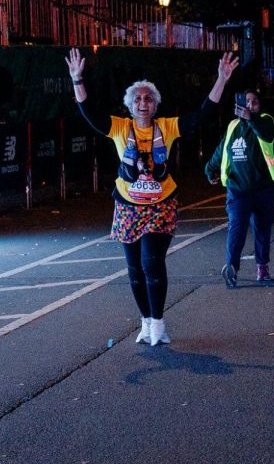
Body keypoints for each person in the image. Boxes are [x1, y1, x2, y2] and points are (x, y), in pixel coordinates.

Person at [67, 47, 238, 345]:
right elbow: (89, 113)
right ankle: (145, 321)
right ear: (130, 106)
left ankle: (158, 321)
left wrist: (221, 79)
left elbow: (201, 114)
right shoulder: (120, 128)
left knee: (151, 262)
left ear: (155, 105)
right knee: (133, 267)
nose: (143, 102)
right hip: (127, 206)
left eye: (148, 98)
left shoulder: (167, 127)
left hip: (160, 205)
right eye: (137, 98)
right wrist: (76, 79)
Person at [205, 88, 274, 287]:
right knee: (236, 228)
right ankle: (232, 268)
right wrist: (210, 168)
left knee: (262, 229)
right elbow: (223, 149)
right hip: (238, 189)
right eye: (246, 102)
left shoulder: (265, 120)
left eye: (254, 102)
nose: (250, 106)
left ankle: (262, 266)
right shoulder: (233, 126)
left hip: (263, 188)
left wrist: (250, 119)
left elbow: (266, 133)